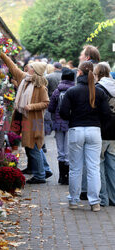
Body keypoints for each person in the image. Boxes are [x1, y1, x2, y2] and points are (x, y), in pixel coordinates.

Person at [60, 61, 111, 212]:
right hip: (94, 130)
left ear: (80, 73)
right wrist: (98, 123)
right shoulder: (99, 92)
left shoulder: (72, 92)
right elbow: (107, 114)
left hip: (76, 129)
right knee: (93, 167)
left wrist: (72, 119)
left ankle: (74, 200)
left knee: (75, 168)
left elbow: (63, 112)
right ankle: (95, 202)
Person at [0, 52, 53, 184]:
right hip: (24, 118)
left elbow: (46, 103)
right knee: (34, 147)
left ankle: (40, 176)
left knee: (34, 146)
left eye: (31, 67)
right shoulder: (25, 79)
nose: (27, 67)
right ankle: (44, 170)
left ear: (35, 71)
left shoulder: (40, 87)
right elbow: (13, 67)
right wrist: (1, 54)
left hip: (34, 120)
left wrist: (32, 106)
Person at [79, 45, 101, 200]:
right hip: (98, 124)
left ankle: (85, 192)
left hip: (86, 124)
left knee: (87, 163)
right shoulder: (100, 68)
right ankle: (97, 195)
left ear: (87, 57)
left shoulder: (87, 71)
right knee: (95, 163)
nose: (80, 56)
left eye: (82, 54)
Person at [48, 68, 75, 184]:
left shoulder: (57, 91)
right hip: (71, 123)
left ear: (62, 78)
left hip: (58, 124)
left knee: (60, 150)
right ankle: (68, 177)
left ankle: (61, 177)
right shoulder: (75, 90)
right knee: (68, 150)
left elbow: (50, 108)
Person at [94, 62, 115, 206]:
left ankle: (103, 198)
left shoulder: (97, 89)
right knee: (112, 165)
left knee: (99, 164)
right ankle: (114, 198)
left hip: (101, 131)